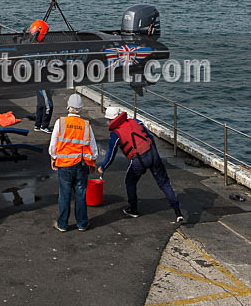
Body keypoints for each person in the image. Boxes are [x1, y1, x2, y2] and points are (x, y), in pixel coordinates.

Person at [98, 106, 184, 222]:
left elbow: (111, 154)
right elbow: (150, 136)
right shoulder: (136, 121)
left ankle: (133, 209)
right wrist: (153, 151)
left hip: (139, 160)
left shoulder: (116, 133)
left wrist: (103, 167)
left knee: (130, 181)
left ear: (111, 120)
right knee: (164, 182)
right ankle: (177, 211)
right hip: (153, 154)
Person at [49, 93, 98, 232]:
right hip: (81, 165)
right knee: (80, 194)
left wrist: (53, 158)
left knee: (64, 195)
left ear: (68, 107)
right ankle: (82, 223)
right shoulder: (86, 125)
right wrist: (92, 163)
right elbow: (93, 147)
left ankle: (62, 224)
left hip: (64, 165)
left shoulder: (61, 122)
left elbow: (53, 144)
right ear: (81, 109)